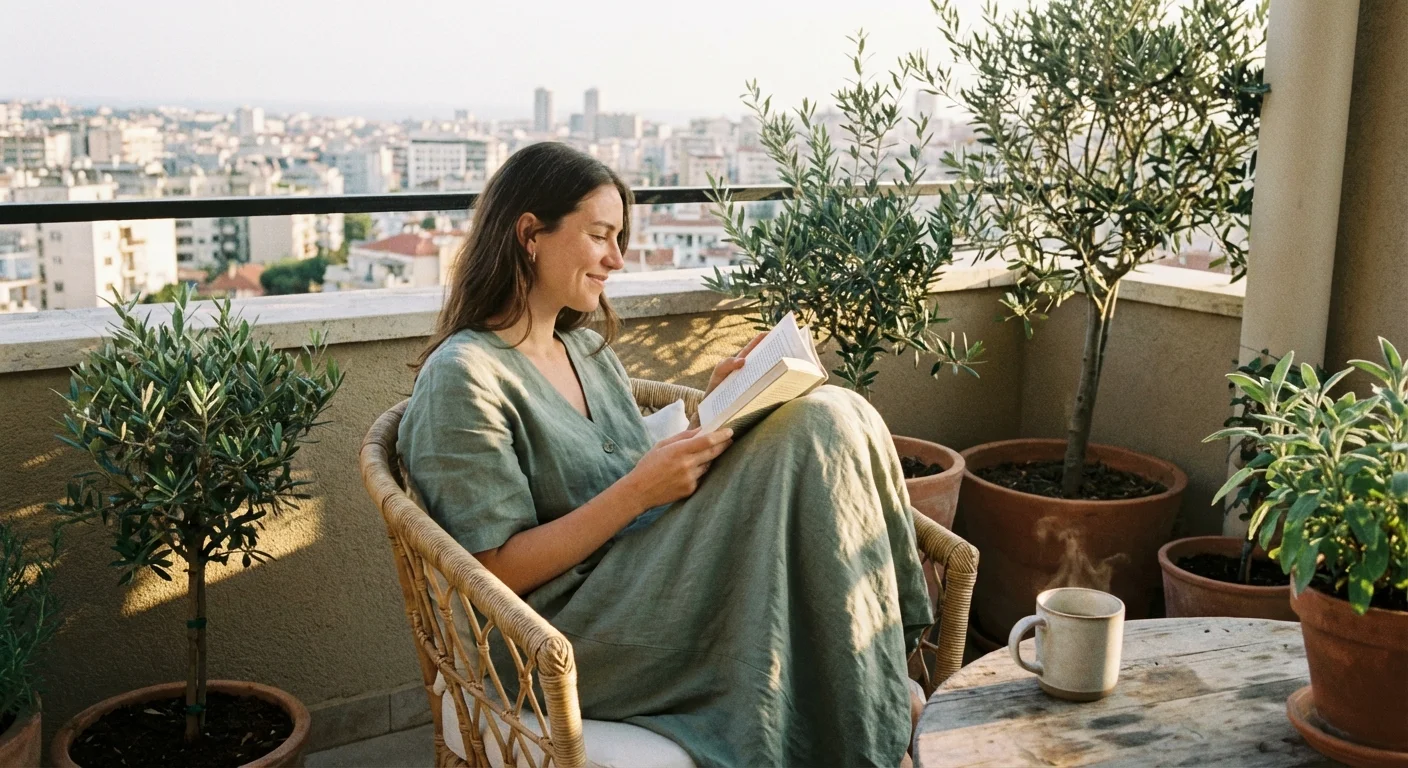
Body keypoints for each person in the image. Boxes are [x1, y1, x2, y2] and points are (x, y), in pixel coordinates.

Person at [398, 141, 932, 767]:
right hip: (560, 638)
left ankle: (868, 674)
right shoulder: (463, 378)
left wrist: (720, 407)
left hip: (647, 569)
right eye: (600, 236)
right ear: (530, 234)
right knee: (820, 424)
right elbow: (491, 569)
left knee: (833, 412)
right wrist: (639, 491)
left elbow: (625, 472)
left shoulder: (587, 355)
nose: (617, 260)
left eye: (619, 238)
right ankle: (868, 698)